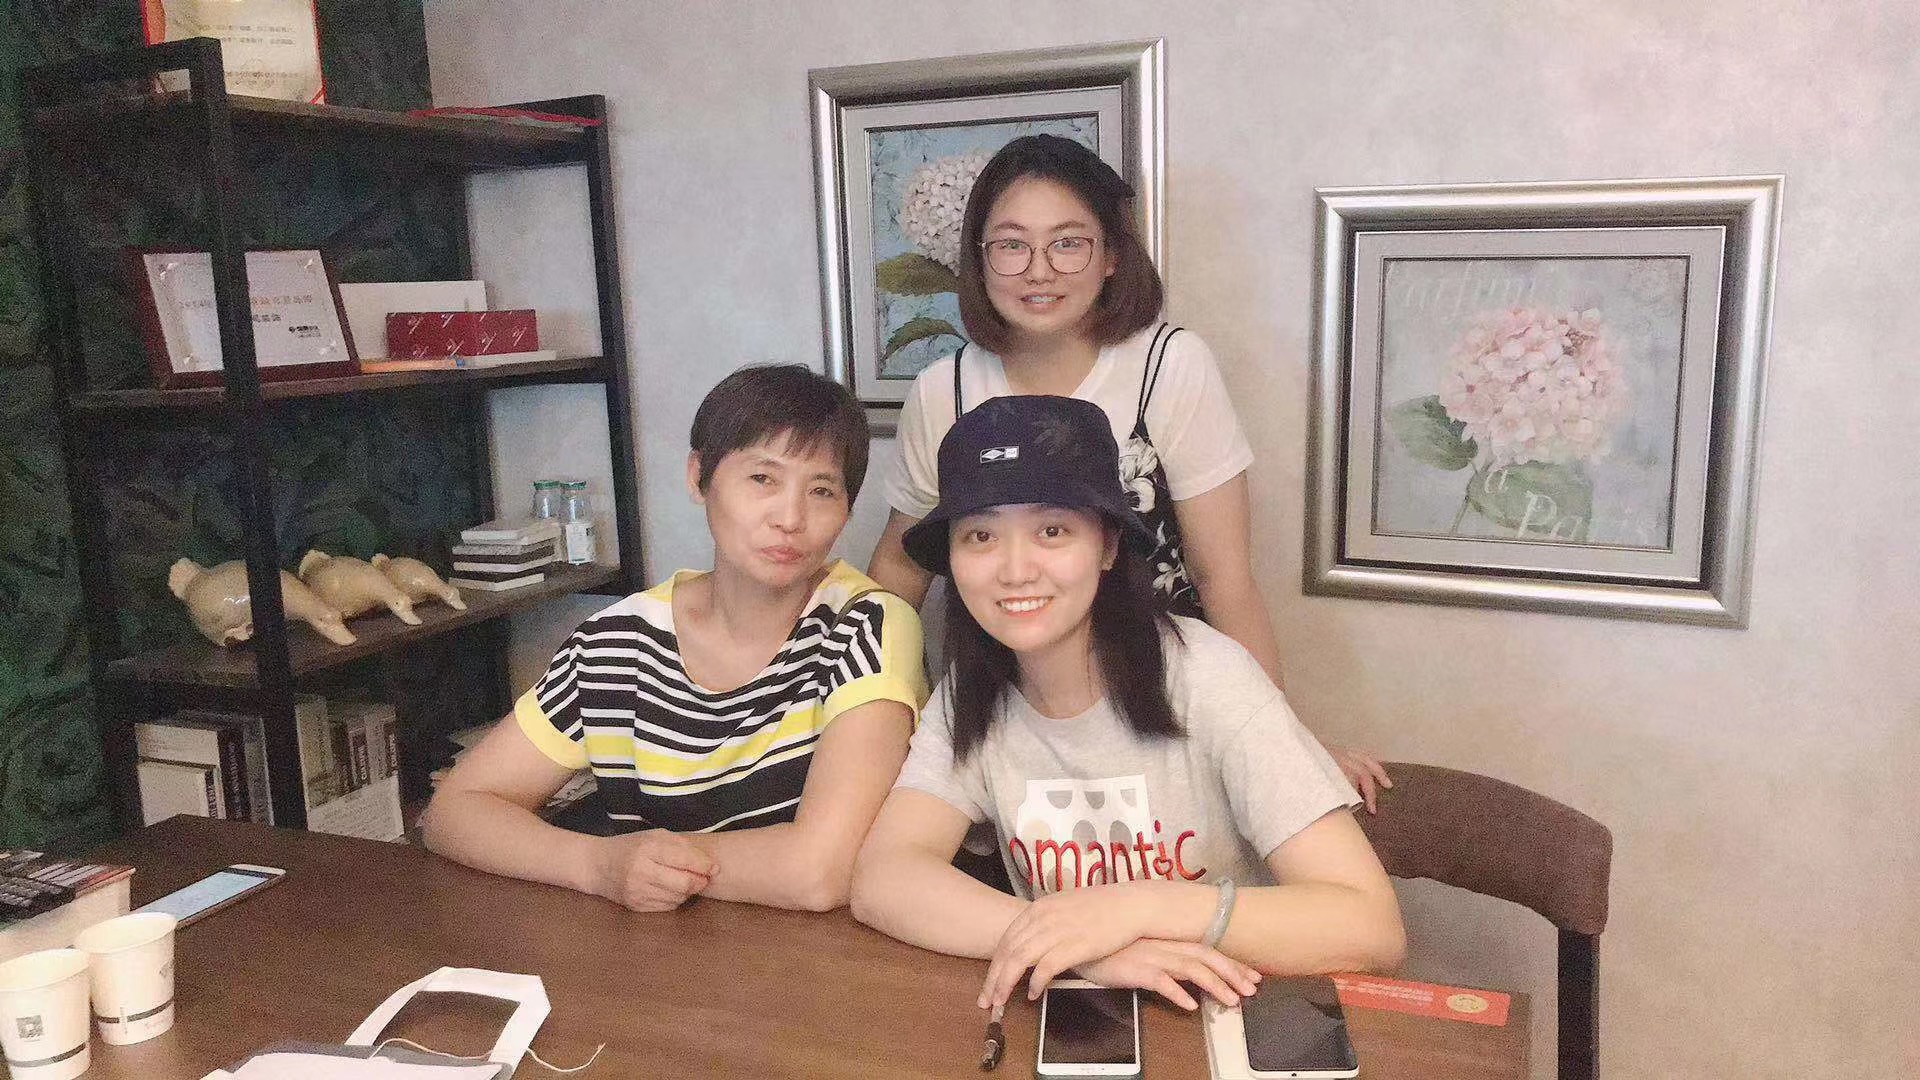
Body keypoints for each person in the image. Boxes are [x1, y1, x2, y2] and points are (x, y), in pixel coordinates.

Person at [864, 134, 1390, 807]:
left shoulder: (1170, 367)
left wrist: (1284, 746)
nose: (1039, 270)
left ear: (1111, 255)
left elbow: (1224, 579)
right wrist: (868, 721)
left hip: (1162, 707)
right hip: (1004, 714)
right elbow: (898, 571)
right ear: (978, 259)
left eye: (1068, 243)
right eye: (1011, 245)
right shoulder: (945, 390)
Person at [850, 395, 1405, 1016]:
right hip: (1081, 1017)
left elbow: (1371, 927)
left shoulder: (1209, 676)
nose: (1014, 570)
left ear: (1108, 546)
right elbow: (884, 877)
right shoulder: (969, 693)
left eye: (1052, 531)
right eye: (980, 536)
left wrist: (1139, 908)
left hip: (1227, 1014)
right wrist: (1074, 944)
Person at [423, 365, 926, 913]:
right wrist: (599, 865)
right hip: (645, 948)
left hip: (813, 955)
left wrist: (653, 866)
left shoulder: (866, 626)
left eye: (822, 490)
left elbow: (818, 872)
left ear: (847, 510)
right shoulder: (614, 642)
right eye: (763, 479)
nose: (790, 518)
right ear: (698, 477)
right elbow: (454, 810)